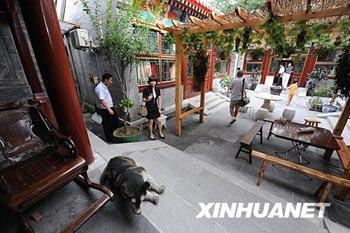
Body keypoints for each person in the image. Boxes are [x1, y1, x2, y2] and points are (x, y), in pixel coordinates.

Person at [95, 73, 119, 142]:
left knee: (115, 121)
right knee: (107, 124)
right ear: (106, 80)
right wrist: (109, 109)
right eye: (111, 80)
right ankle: (110, 138)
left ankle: (114, 135)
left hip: (109, 107)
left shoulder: (104, 86)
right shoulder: (100, 88)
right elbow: (102, 100)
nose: (112, 82)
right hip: (105, 109)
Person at [143, 75, 164, 140]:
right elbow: (143, 99)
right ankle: (151, 133)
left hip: (155, 107)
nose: (153, 83)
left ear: (156, 82)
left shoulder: (157, 89)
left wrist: (159, 108)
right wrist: (147, 99)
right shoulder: (146, 89)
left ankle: (160, 132)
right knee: (151, 121)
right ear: (149, 82)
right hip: (149, 107)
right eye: (151, 81)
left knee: (159, 120)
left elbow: (159, 99)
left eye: (154, 81)